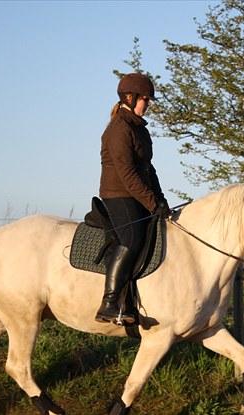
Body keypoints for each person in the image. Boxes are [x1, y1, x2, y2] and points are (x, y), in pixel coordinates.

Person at [95, 72, 170, 325]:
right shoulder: (119, 129)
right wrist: (150, 201)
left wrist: (160, 200)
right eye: (145, 100)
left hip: (137, 193)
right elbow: (127, 173)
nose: (147, 105)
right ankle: (110, 302)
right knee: (132, 238)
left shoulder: (139, 130)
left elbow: (148, 169)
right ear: (130, 97)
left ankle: (135, 301)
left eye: (148, 101)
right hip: (118, 194)